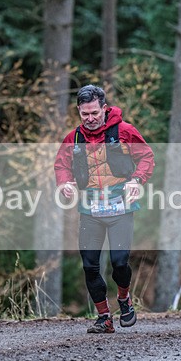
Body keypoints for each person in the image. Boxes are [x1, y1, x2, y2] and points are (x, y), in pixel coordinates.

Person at [54, 84, 155, 333]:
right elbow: (61, 165)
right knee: (90, 265)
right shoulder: (73, 138)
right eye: (84, 114)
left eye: (94, 114)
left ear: (104, 108)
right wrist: (64, 183)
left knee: (119, 263)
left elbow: (147, 157)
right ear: (79, 111)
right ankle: (104, 318)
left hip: (120, 204)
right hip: (90, 208)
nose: (89, 119)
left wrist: (137, 180)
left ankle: (124, 299)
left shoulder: (124, 130)